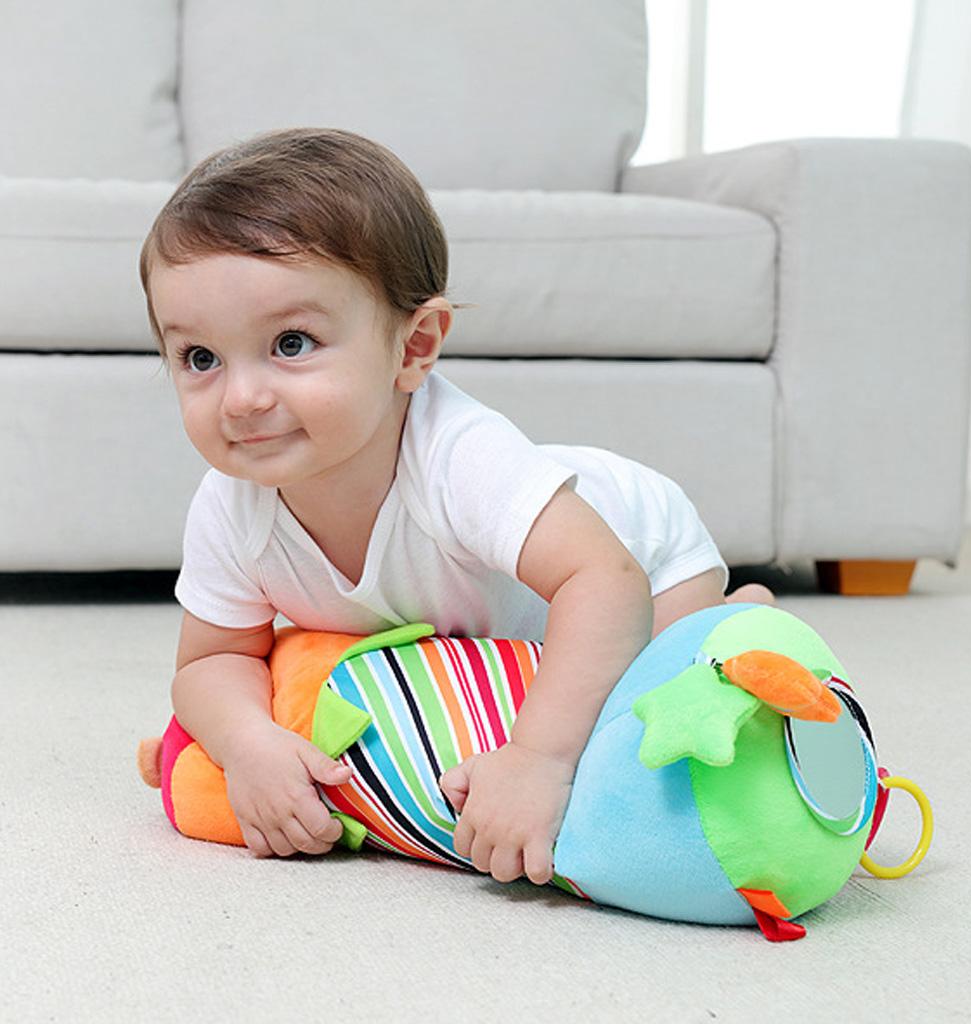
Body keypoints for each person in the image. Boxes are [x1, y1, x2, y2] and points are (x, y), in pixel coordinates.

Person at [139, 127, 773, 884]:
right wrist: (249, 746)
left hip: (640, 561)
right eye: (200, 358)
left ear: (414, 347)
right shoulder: (229, 506)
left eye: (292, 343)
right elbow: (213, 659)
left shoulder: (461, 459)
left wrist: (538, 760)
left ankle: (736, 615)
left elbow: (603, 582)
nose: (242, 398)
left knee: (651, 707)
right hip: (488, 617)